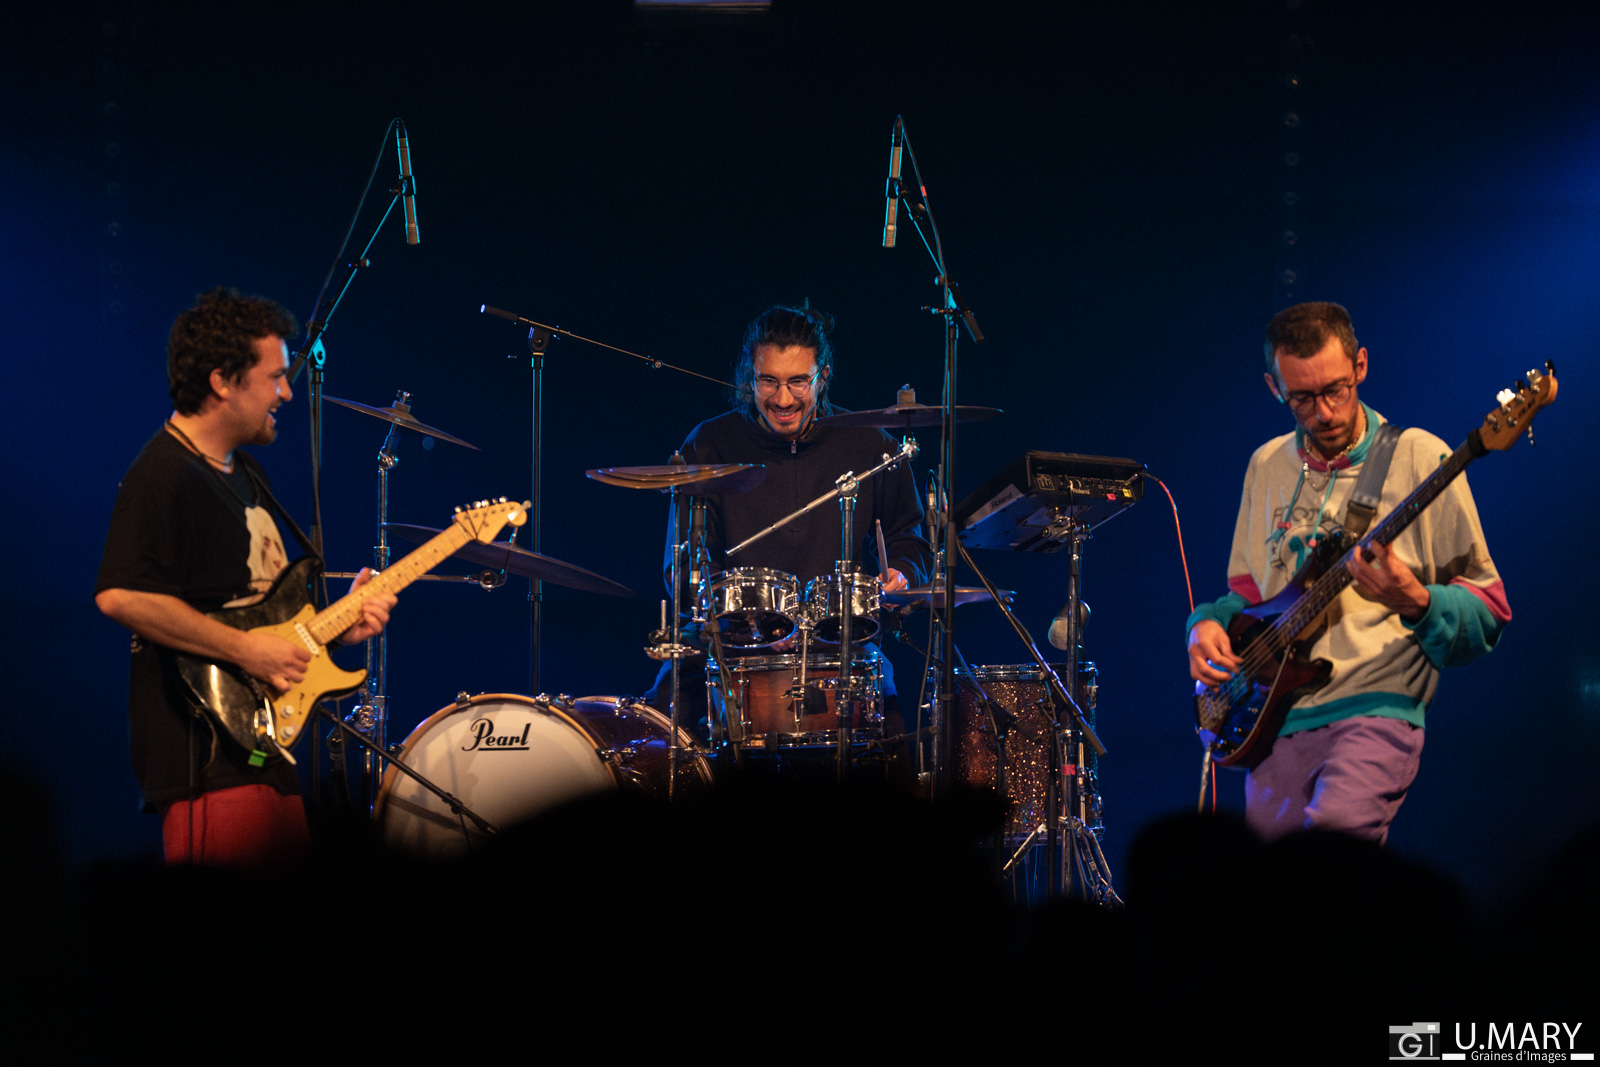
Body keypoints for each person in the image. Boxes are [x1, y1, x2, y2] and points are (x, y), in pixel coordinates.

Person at [1184, 302, 1509, 844]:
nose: (1324, 414)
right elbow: (1247, 600)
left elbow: (1489, 611)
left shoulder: (1421, 456)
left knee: (1331, 874)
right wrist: (1204, 625)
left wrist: (1418, 601)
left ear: (1360, 365)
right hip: (1275, 719)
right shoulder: (1266, 464)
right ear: (1274, 388)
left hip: (1375, 710)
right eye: (1302, 398)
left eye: (1336, 390)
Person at [95, 286, 396, 868]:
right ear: (222, 381)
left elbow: (258, 613)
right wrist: (245, 651)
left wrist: (338, 629)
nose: (287, 392)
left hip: (266, 750)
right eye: (275, 377)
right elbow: (121, 595)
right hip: (206, 757)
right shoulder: (163, 475)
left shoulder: (246, 472)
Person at [644, 303, 934, 741]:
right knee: (657, 736)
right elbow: (683, 566)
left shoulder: (870, 444)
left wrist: (900, 573)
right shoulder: (710, 444)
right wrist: (749, 622)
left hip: (838, 640)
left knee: (893, 745)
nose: (783, 399)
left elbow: (910, 539)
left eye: (798, 381)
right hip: (731, 641)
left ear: (823, 376)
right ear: (749, 378)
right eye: (769, 381)